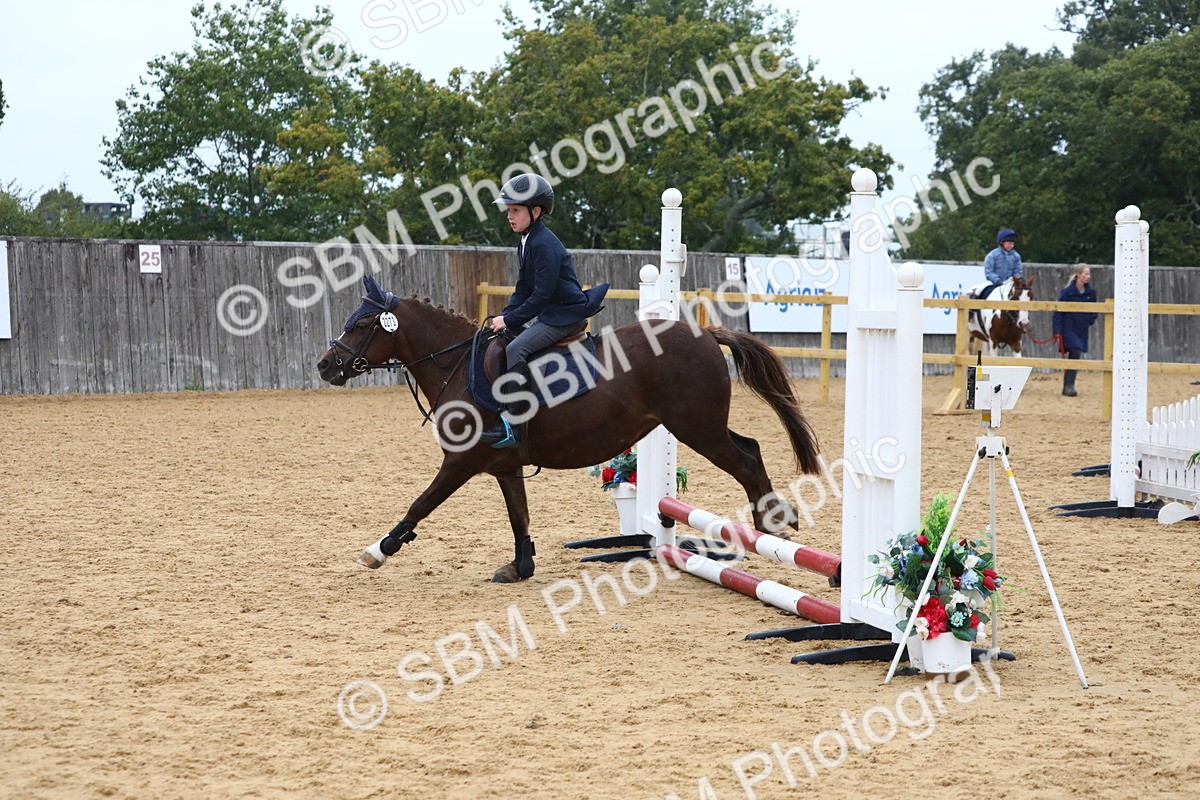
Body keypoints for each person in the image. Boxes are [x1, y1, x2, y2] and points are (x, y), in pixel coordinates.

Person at [481, 173, 605, 449]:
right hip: (549, 312)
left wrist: (511, 319)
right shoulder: (526, 241)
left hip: (563, 316)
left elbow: (540, 296)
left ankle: (514, 426)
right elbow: (523, 288)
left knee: (516, 350)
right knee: (502, 339)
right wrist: (505, 316)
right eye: (508, 210)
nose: (509, 216)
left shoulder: (543, 243)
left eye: (515, 210)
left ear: (535, 212)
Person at [1052, 265, 1098, 397]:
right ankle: (1069, 385)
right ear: (1078, 274)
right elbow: (1058, 312)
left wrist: (1089, 320)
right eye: (1086, 274)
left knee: (1075, 355)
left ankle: (1068, 385)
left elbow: (1095, 310)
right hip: (1068, 327)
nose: (1088, 277)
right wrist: (1057, 331)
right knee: (1075, 351)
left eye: (1089, 274)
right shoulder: (1067, 292)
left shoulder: (1091, 293)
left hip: (1081, 328)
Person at [981, 227, 1023, 298]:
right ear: (1001, 242)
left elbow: (1018, 271)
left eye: (1013, 244)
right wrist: (998, 281)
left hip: (1010, 284)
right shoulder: (992, 255)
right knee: (979, 290)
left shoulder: (1016, 256)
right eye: (1009, 243)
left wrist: (1015, 279)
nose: (1011, 246)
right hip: (993, 283)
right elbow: (989, 272)